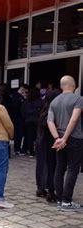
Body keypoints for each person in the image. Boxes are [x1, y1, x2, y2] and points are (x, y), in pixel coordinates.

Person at [47, 75, 83, 211]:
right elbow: (74, 120)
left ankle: (60, 199)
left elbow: (50, 121)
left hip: (58, 138)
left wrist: (57, 138)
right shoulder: (78, 99)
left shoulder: (54, 101)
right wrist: (65, 138)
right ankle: (67, 201)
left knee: (60, 168)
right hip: (74, 138)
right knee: (73, 169)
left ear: (62, 86)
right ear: (73, 85)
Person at [35, 89, 61, 202]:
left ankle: (40, 188)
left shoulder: (43, 110)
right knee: (51, 167)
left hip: (41, 142)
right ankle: (51, 191)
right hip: (50, 142)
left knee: (41, 166)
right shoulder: (53, 111)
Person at [21, 87, 43, 157]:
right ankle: (38, 150)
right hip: (37, 121)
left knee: (29, 137)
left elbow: (22, 111)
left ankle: (31, 151)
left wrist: (25, 117)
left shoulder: (26, 101)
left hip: (28, 121)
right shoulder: (40, 101)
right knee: (38, 136)